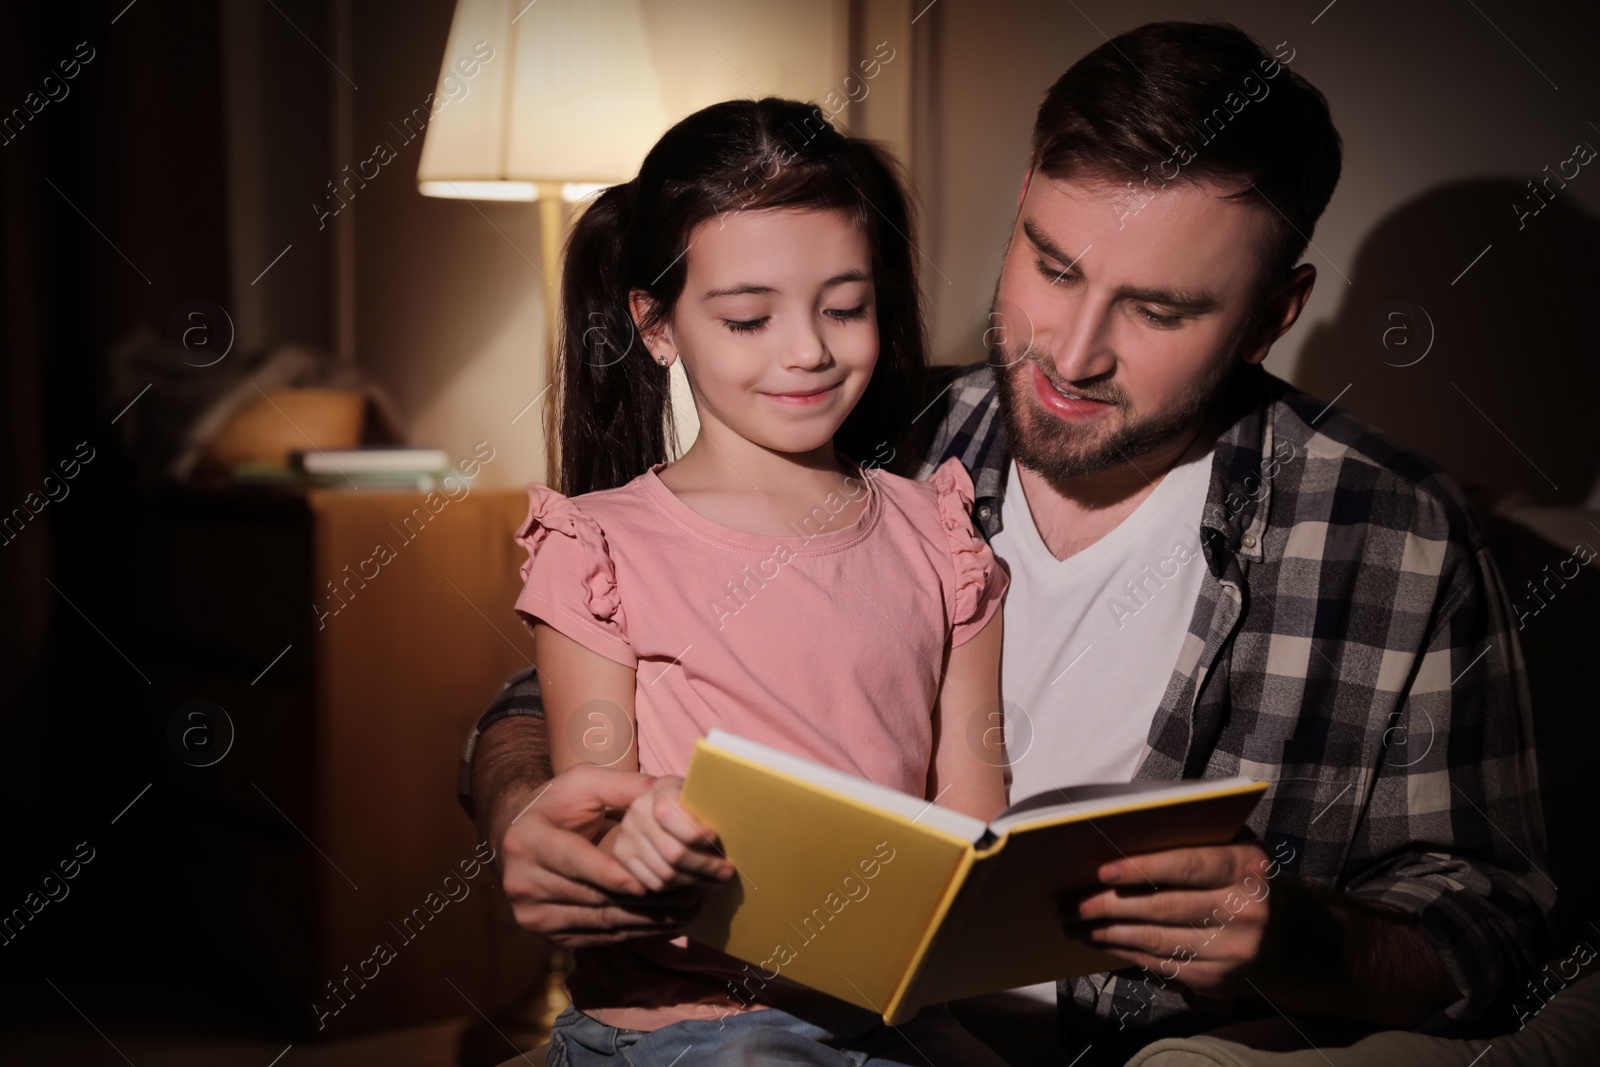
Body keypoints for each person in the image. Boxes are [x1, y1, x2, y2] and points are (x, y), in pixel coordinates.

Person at [462, 22, 1552, 1066]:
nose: (1072, 355)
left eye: (1160, 311)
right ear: (1020, 208)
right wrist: (535, 813)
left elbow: (1494, 922)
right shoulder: (888, 432)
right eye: (1053, 265)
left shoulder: (1394, 537)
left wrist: (1299, 938)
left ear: (1271, 315)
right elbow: (558, 689)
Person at [506, 95, 1011, 1066]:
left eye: (845, 306)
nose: (808, 350)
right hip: (693, 1024)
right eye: (748, 317)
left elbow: (973, 800)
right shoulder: (597, 548)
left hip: (893, 1012)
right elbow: (592, 811)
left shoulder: (941, 535)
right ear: (656, 328)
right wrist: (638, 835)